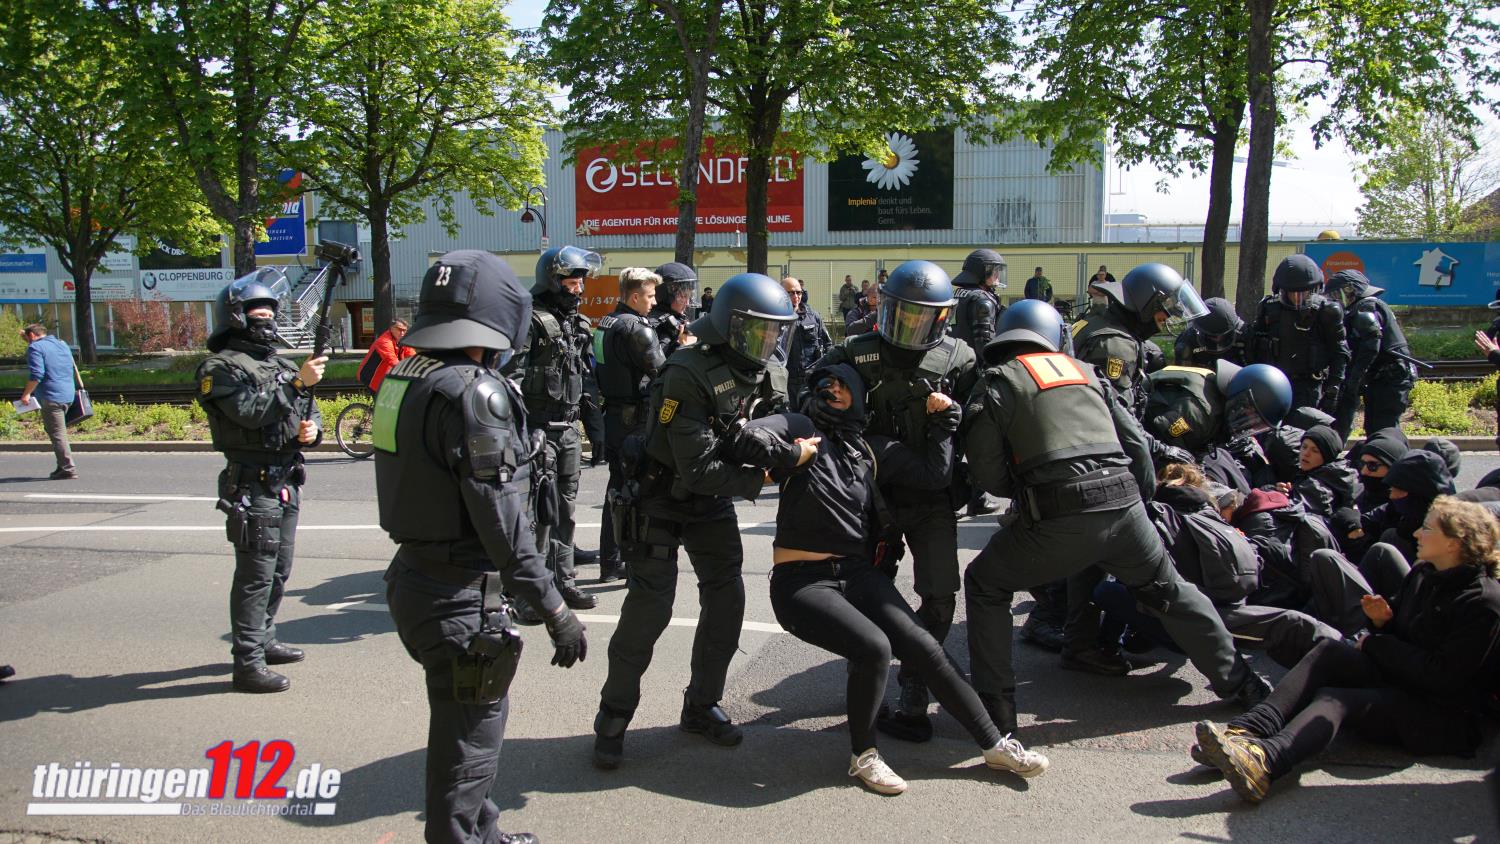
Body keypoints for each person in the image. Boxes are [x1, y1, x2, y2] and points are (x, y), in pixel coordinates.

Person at [962, 300, 1269, 734]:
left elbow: (988, 474)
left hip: (1058, 514)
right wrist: (1139, 503)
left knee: (984, 582)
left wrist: (1028, 492)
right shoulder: (1087, 373)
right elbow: (1137, 445)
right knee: (1171, 592)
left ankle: (998, 711)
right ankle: (1243, 683)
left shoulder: (997, 381)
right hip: (1125, 507)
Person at [746, 365, 1046, 794]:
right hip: (801, 582)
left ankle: (994, 745)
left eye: (842, 384)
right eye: (824, 384)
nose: (831, 389)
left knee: (924, 644)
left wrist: (944, 424)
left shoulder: (869, 449)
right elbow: (751, 434)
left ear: (859, 394)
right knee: (874, 647)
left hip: (856, 574)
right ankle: (864, 756)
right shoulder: (802, 427)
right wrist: (790, 455)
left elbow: (933, 475)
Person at [374, 249, 587, 843]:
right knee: (470, 745)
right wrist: (555, 609)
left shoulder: (406, 376)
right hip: (459, 597)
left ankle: (483, 833)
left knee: (465, 731)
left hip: (416, 578)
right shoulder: (475, 394)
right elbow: (504, 523)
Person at [594, 272, 795, 769]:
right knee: (649, 611)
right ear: (730, 326)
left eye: (774, 331)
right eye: (759, 331)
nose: (768, 341)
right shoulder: (686, 370)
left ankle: (702, 705)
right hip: (662, 498)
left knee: (727, 601)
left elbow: (786, 419)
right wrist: (768, 473)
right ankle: (613, 717)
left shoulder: (768, 368)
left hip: (711, 502)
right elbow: (699, 470)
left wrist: (771, 437)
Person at [1193, 496, 1500, 804]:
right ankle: (1247, 732)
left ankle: (1265, 762)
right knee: (1329, 651)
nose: (1418, 533)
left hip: (1441, 713)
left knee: (1336, 699)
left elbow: (1443, 677)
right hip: (1405, 680)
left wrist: (1378, 642)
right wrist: (1382, 621)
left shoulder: (1484, 602)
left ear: (1454, 543)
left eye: (1428, 528)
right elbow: (1405, 635)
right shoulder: (1425, 572)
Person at [816, 260, 976, 742]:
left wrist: (954, 415)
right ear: (884, 307)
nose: (908, 325)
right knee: (863, 592)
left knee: (940, 595)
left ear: (941, 318)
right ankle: (865, 676)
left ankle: (915, 683)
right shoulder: (855, 351)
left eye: (920, 318)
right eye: (901, 314)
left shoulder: (959, 358)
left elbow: (981, 422)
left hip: (931, 496)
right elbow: (814, 400)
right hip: (871, 499)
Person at [196, 270, 325, 694]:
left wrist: (313, 431)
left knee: (280, 570)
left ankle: (265, 639)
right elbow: (250, 413)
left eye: (271, 312)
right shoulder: (220, 367)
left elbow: (308, 409)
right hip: (252, 483)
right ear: (236, 316)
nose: (267, 319)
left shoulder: (281, 364)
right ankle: (247, 663)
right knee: (256, 574)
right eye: (258, 312)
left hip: (286, 478)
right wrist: (297, 383)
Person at [509, 245, 602, 615]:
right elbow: (511, 378)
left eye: (581, 281)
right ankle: (529, 593)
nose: (579, 288)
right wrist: (518, 431)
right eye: (572, 281)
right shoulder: (529, 319)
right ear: (552, 280)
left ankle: (564, 582)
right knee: (537, 515)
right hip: (538, 432)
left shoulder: (575, 323)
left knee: (565, 511)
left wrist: (595, 428)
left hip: (568, 431)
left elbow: (585, 379)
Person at [595, 268, 667, 584]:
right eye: (650, 296)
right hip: (635, 420)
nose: (654, 302)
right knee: (637, 493)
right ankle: (632, 561)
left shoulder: (606, 323)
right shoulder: (638, 330)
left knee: (616, 490)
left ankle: (610, 562)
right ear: (635, 297)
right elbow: (663, 374)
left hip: (613, 415)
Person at [1248, 254, 1349, 415]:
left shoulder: (1327, 311)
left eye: (1302, 292)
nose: (1296, 298)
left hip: (1309, 385)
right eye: (1291, 292)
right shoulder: (1269, 309)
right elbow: (1254, 346)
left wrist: (1333, 388)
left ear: (1313, 289)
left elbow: (1340, 352)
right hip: (1274, 382)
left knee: (1304, 426)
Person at [1324, 270, 1415, 438]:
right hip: (1383, 379)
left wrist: (1354, 380)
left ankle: (1393, 455)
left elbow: (1371, 346)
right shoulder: (1366, 306)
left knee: (1384, 431)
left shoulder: (1366, 307)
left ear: (1349, 291)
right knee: (1375, 429)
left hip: (1390, 379)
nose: (1334, 300)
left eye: (1335, 295)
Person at [18, 323, 78, 480]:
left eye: (27, 338)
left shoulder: (35, 348)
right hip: (68, 394)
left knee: (57, 433)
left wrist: (26, 394)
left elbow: (37, 374)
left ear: (32, 335)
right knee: (57, 431)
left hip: (51, 396)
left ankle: (67, 468)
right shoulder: (61, 344)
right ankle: (62, 465)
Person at [774, 276, 833, 407]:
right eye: (791, 293)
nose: (796, 296)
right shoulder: (774, 318)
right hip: (784, 383)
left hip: (810, 381)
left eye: (798, 292)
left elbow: (828, 344)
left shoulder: (813, 316)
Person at [950, 249, 1008, 358]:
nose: (997, 275)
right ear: (981, 272)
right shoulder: (982, 301)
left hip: (953, 356)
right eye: (995, 271)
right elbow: (984, 344)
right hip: (972, 362)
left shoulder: (957, 293)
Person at [1173, 297, 1247, 368]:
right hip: (1202, 375)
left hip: (1239, 375)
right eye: (1212, 336)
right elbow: (1183, 373)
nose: (1217, 339)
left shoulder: (1245, 336)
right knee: (1182, 349)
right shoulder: (1188, 338)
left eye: (1222, 335)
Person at [650, 262, 698, 358]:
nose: (687, 303)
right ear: (665, 296)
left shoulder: (676, 318)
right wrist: (679, 344)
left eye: (690, 297)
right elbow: (657, 363)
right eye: (683, 296)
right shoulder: (659, 326)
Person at [356, 317, 416, 393]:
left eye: (404, 330)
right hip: (371, 376)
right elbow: (392, 360)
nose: (402, 333)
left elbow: (412, 355)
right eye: (399, 329)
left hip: (385, 374)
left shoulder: (402, 340)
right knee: (382, 397)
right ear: (391, 328)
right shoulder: (384, 341)